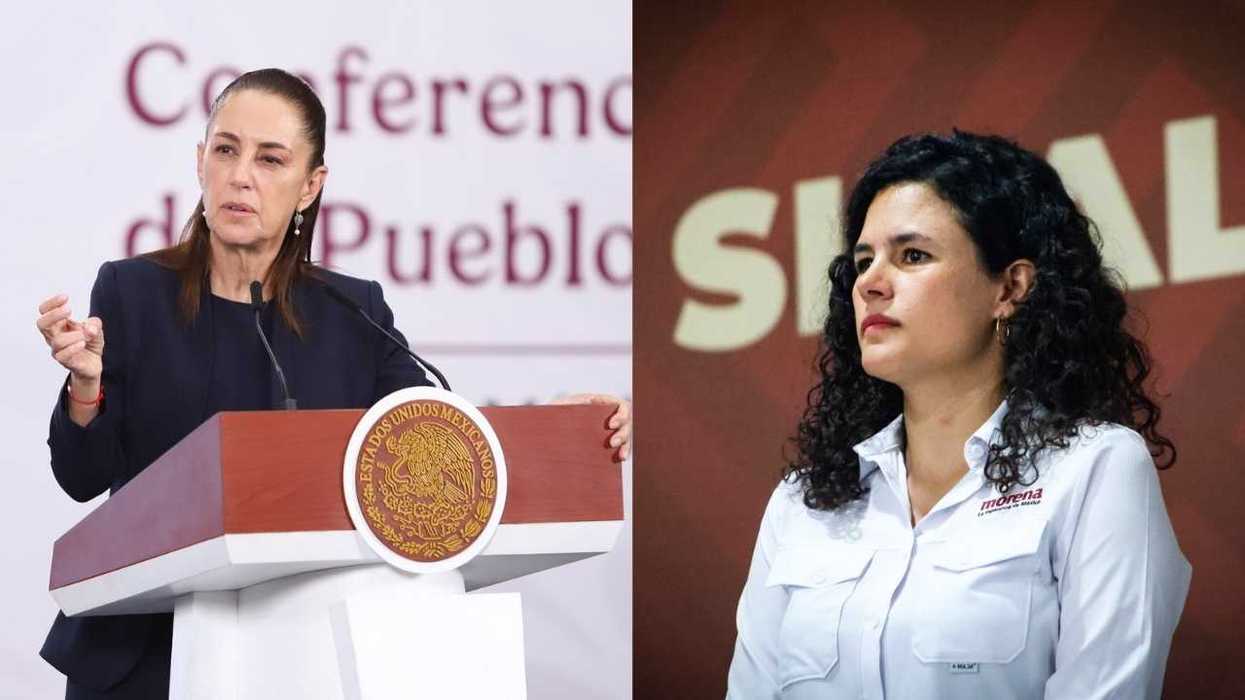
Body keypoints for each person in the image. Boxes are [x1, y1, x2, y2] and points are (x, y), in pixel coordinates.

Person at [33, 68, 632, 700]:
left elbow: (440, 442)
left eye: (271, 160)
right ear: (200, 161)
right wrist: (86, 387)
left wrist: (558, 434)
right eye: (226, 150)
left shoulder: (352, 312)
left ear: (309, 187)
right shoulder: (131, 293)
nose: (241, 176)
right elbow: (80, 479)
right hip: (150, 654)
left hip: (307, 657)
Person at [726, 131, 1190, 699]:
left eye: (912, 255)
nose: (869, 282)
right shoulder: (803, 503)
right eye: (864, 260)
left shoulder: (1095, 468)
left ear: (1010, 288)